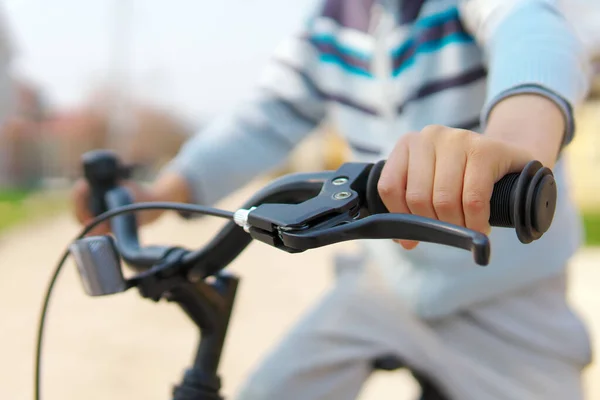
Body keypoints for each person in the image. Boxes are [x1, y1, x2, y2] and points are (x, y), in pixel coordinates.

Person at [72, 1, 595, 399]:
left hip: (506, 294)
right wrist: (163, 193)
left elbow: (532, 30)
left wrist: (519, 148)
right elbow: (265, 117)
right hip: (385, 281)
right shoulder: (328, 25)